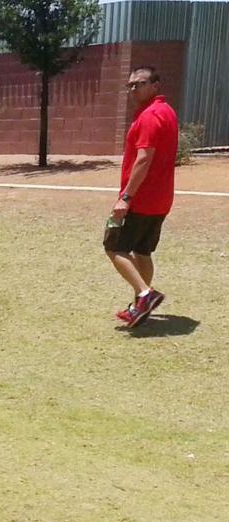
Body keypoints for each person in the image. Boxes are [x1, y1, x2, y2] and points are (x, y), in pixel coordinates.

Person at [104, 65, 179, 328]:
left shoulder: (149, 116)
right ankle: (140, 305)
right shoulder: (167, 112)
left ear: (155, 85)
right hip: (161, 200)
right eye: (131, 85)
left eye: (141, 83)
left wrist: (125, 197)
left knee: (114, 247)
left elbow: (143, 159)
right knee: (143, 252)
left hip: (141, 200)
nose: (134, 88)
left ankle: (145, 295)